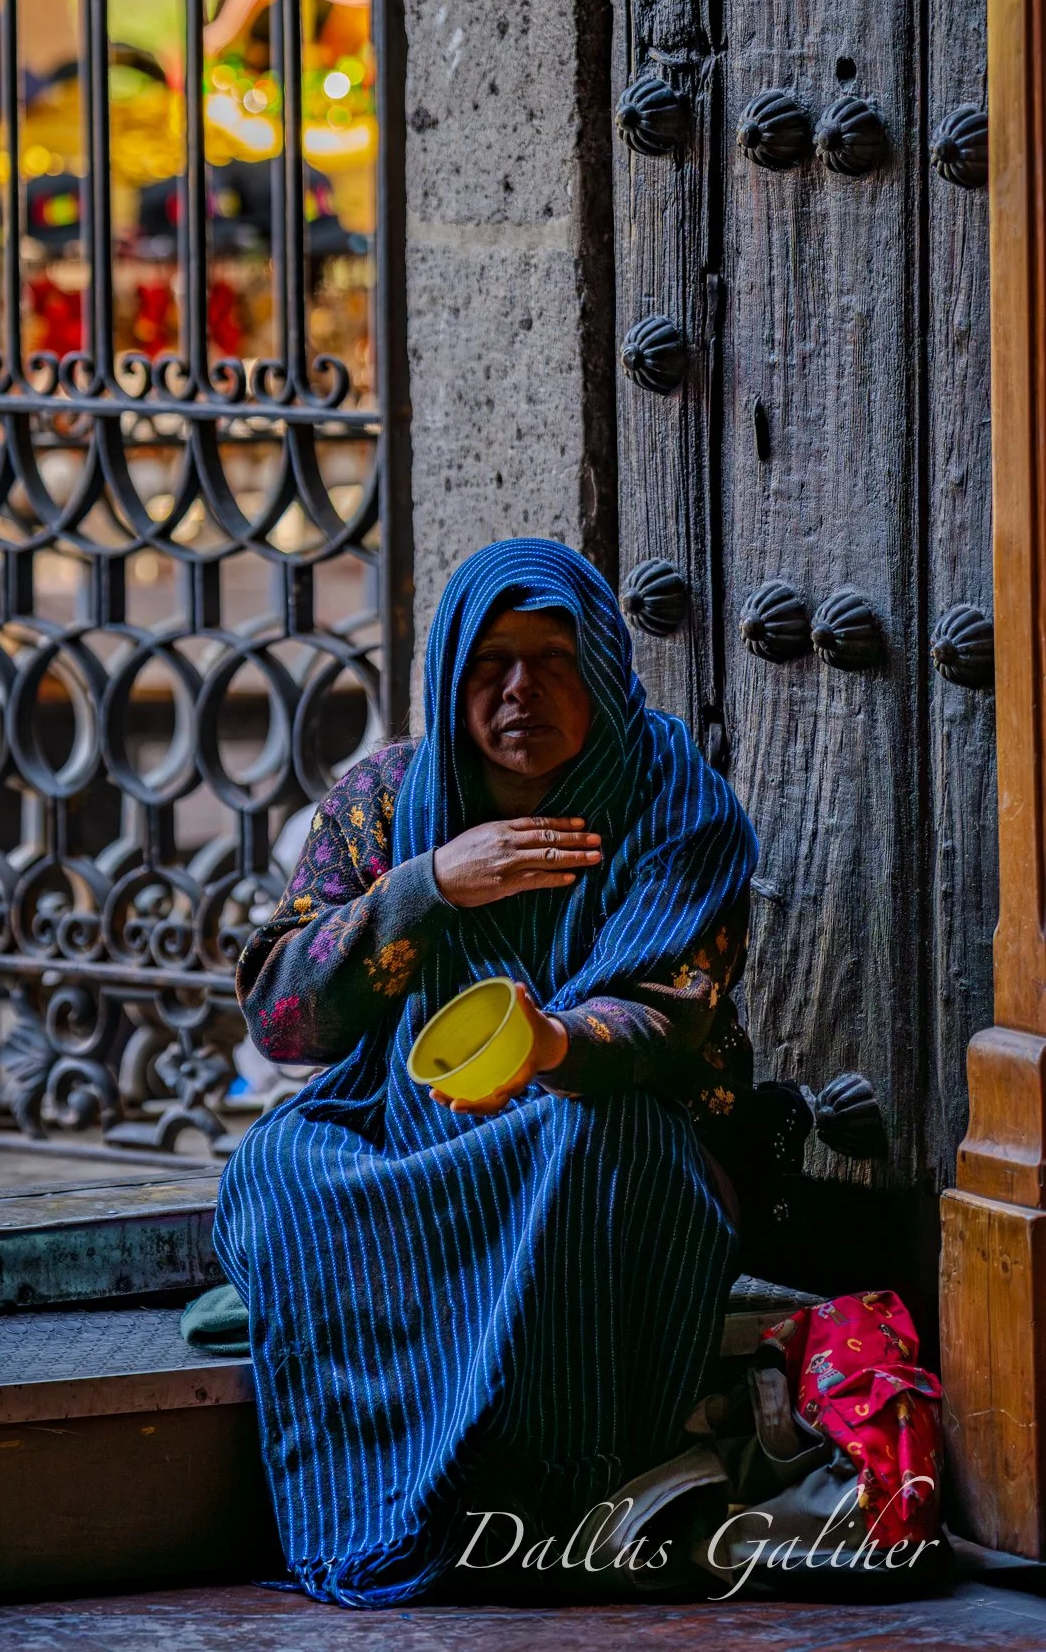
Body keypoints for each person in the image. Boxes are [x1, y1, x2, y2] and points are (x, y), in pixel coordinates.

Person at [212, 537, 763, 1605]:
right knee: (279, 1169)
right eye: (489, 662)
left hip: (604, 1123)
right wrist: (427, 886)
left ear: (602, 667)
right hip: (407, 1122)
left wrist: (550, 1044)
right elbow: (281, 1018)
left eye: (553, 659)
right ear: (449, 672)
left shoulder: (673, 802)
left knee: (580, 1139)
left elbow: (670, 1007)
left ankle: (556, 1496)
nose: (519, 691)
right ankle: (383, 1506)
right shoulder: (386, 798)